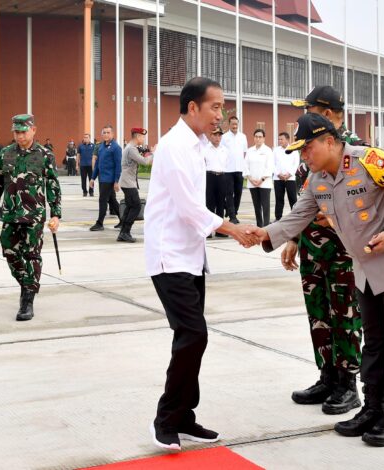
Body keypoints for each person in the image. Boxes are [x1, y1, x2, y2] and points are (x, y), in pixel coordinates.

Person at [251, 113, 384, 447]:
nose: (304, 157)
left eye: (308, 149)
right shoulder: (318, 179)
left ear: (329, 141)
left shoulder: (372, 160)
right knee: (375, 342)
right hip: (365, 271)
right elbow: (298, 216)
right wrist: (263, 234)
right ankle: (373, 406)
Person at [145, 76, 258, 452]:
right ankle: (165, 418)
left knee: (190, 338)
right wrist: (233, 229)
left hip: (191, 257)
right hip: (169, 257)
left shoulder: (197, 146)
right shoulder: (174, 146)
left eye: (222, 108)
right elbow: (189, 207)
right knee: (194, 334)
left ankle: (184, 417)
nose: (220, 115)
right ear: (192, 107)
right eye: (214, 107)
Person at [284, 86, 364, 418]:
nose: (304, 115)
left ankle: (348, 384)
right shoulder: (310, 147)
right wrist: (293, 238)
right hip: (312, 249)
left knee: (344, 314)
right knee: (318, 312)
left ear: (328, 114)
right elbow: (304, 201)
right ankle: (327, 376)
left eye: (311, 109)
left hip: (343, 251)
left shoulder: (356, 151)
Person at [0, 114, 61, 321]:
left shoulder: (45, 154)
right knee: (9, 252)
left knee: (31, 255)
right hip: (11, 214)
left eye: (23, 131)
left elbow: (52, 185)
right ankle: (28, 284)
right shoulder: (6, 153)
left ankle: (27, 299)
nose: (20, 136)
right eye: (16, 132)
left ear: (33, 130)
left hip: (34, 215)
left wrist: (56, 214)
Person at [117, 128, 153, 243]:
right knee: (136, 206)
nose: (143, 139)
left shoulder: (130, 147)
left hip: (127, 182)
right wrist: (154, 153)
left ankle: (123, 232)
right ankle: (125, 231)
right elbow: (145, 162)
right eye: (142, 137)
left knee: (130, 206)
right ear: (138, 136)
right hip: (128, 183)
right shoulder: (131, 149)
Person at [89, 125, 122, 231]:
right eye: (104, 133)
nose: (106, 135)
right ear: (102, 134)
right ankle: (123, 220)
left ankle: (100, 223)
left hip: (109, 179)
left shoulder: (116, 148)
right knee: (112, 200)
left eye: (108, 132)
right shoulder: (101, 146)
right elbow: (98, 163)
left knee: (103, 200)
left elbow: (118, 165)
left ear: (112, 134)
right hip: (102, 178)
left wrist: (116, 181)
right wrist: (93, 178)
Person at [243, 129, 274, 227]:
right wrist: (250, 179)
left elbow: (270, 167)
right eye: (256, 136)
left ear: (264, 138)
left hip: (264, 183)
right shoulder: (250, 150)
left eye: (260, 137)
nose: (258, 139)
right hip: (252, 182)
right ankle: (259, 225)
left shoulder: (268, 151)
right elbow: (245, 165)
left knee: (265, 206)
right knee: (256, 206)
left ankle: (266, 227)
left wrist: (262, 180)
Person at [221, 116, 247, 224]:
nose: (235, 126)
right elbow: (221, 152)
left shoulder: (243, 137)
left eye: (236, 124)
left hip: (239, 169)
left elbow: (244, 152)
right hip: (228, 169)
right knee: (229, 193)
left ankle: (233, 211)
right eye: (233, 124)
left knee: (238, 193)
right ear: (229, 124)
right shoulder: (224, 137)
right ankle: (232, 216)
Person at [204, 127, 229, 234]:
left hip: (222, 176)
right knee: (209, 204)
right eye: (215, 135)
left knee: (220, 204)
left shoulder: (225, 150)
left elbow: (226, 165)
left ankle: (220, 230)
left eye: (219, 135)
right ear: (211, 136)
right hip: (209, 176)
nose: (217, 138)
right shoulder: (205, 148)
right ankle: (209, 230)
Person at [273, 132, 299, 221]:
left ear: (287, 139)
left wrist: (289, 174)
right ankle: (278, 217)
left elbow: (296, 164)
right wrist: (278, 174)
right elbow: (272, 164)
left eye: (281, 139)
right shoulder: (275, 150)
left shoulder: (294, 150)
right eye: (279, 139)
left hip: (290, 179)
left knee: (293, 198)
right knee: (279, 199)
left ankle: (295, 217)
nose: (279, 141)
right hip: (278, 178)